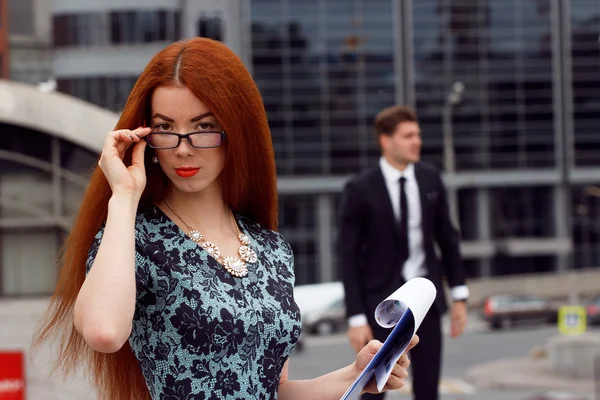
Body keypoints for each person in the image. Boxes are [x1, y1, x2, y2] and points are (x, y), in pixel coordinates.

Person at [33, 38, 419, 400]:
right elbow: (103, 332)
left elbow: (273, 390)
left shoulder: (272, 249)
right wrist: (124, 196)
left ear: (236, 131)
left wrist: (355, 375)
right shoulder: (133, 240)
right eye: (166, 128)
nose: (183, 149)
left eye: (203, 127)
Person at [337, 105, 469, 400]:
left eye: (418, 135)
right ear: (386, 141)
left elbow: (448, 239)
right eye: (408, 135)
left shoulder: (430, 178)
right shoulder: (359, 189)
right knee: (374, 389)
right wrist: (356, 317)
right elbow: (348, 256)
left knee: (427, 390)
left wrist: (459, 295)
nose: (417, 141)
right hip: (380, 306)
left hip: (426, 304)